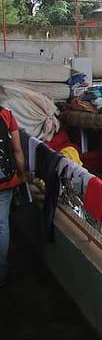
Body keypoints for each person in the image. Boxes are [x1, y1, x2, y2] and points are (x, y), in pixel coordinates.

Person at [0, 106, 27, 287]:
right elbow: (17, 151)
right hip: (4, 182)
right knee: (2, 225)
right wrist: (22, 174)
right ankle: (1, 274)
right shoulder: (6, 114)